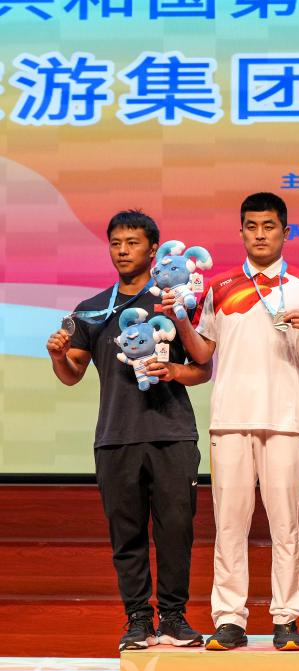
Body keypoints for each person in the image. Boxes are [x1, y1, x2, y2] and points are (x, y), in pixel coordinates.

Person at [172, 192, 299, 652]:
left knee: (287, 525)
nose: (260, 235)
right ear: (241, 231)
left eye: (269, 226)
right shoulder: (219, 287)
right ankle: (229, 619)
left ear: (285, 231)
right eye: (252, 226)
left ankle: (286, 619)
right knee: (229, 525)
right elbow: (203, 352)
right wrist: (180, 317)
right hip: (230, 420)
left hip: (286, 421)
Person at [46, 210, 208, 652]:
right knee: (127, 535)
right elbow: (72, 374)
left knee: (176, 531)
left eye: (132, 242)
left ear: (154, 249)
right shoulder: (92, 309)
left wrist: (173, 371)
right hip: (115, 438)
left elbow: (203, 368)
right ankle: (138, 620)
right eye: (116, 243)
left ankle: (173, 618)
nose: (122, 251)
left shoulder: (174, 303)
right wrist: (58, 355)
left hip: (172, 434)